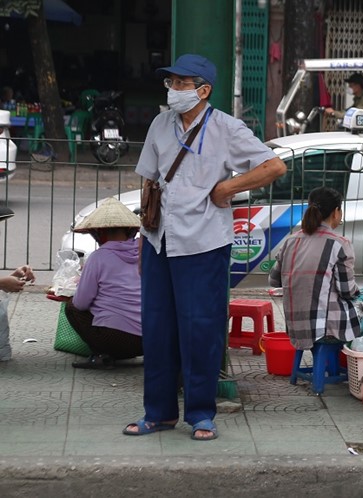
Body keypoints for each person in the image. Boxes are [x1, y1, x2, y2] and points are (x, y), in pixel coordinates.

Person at [125, 53, 286, 441]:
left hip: (205, 243)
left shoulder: (227, 129)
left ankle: (200, 413)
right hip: (159, 241)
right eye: (171, 82)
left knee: (201, 329)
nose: (173, 90)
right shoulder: (161, 124)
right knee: (158, 328)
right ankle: (159, 413)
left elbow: (274, 166)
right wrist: (142, 240)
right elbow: (148, 179)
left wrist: (228, 187)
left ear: (203, 90)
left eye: (181, 83)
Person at [268, 186, 363, 351]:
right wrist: (361, 301)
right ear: (336, 212)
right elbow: (347, 291)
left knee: (360, 311)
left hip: (295, 329)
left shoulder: (291, 241)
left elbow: (273, 280)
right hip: (327, 330)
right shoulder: (339, 243)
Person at [66, 197, 143, 370]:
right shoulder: (145, 251)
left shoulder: (99, 257)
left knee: (71, 307)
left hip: (115, 341)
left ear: (99, 233)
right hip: (152, 339)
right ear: (131, 231)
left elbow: (81, 302)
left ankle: (103, 355)